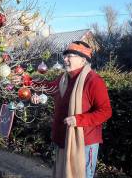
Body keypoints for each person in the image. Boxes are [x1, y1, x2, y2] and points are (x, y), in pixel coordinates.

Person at [36, 41, 112, 178]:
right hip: (63, 139)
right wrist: (28, 83)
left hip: (84, 142)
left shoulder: (94, 80)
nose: (65, 59)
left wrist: (78, 120)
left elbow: (105, 111)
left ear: (83, 59)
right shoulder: (63, 79)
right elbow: (48, 87)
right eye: (65, 56)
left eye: (69, 56)